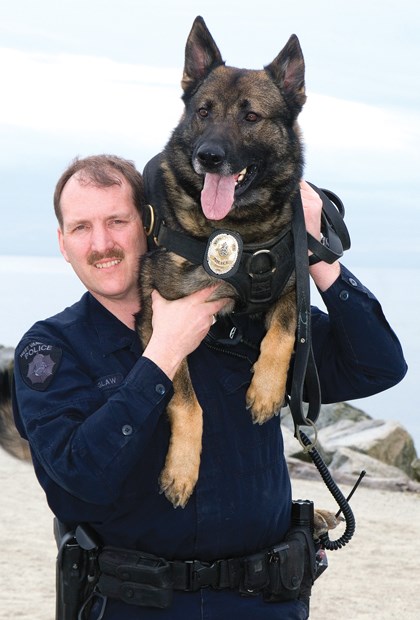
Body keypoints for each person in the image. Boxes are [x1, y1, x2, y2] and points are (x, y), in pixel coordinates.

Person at [12, 154, 407, 620]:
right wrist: (163, 353)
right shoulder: (52, 349)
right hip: (136, 607)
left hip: (265, 604)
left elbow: (377, 366)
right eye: (81, 228)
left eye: (117, 221)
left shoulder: (241, 315)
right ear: (62, 242)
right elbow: (77, 485)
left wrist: (314, 250)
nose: (102, 243)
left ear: (151, 223)